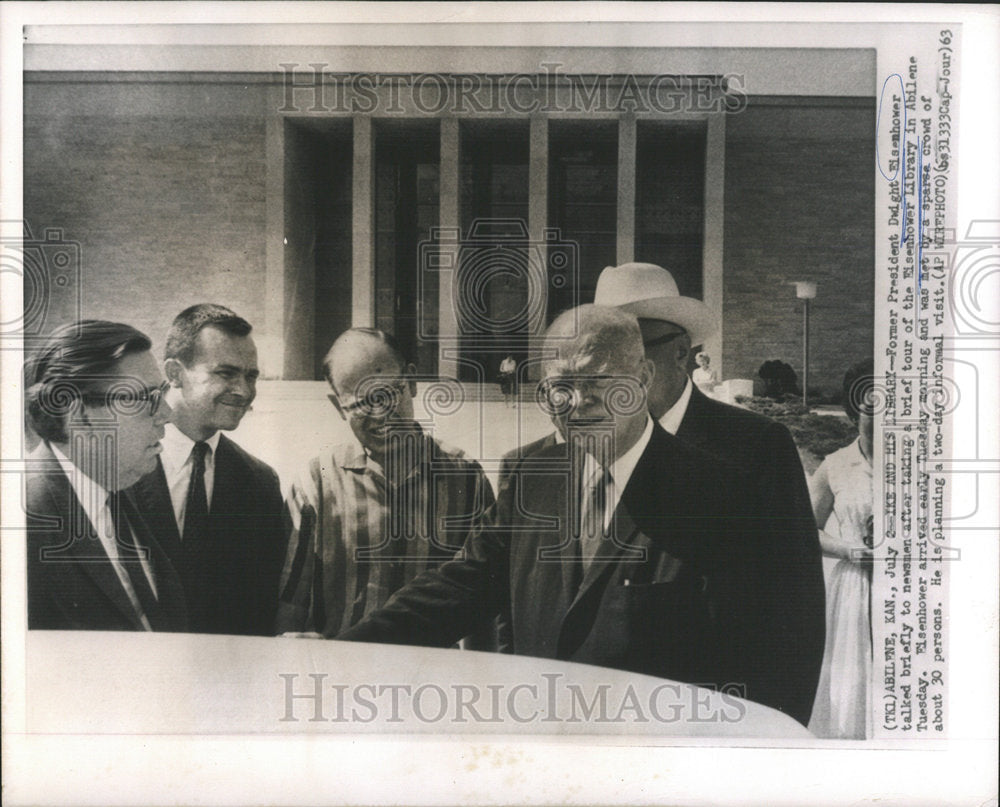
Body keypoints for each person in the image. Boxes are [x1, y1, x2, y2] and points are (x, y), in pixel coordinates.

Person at [331, 306, 809, 723]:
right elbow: (457, 588)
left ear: (643, 377)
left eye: (597, 383)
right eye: (560, 387)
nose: (576, 405)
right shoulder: (532, 480)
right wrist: (339, 654)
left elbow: (777, 659)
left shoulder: (724, 497)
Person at [276, 328, 494, 637]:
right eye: (360, 404)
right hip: (340, 663)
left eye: (388, 393)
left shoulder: (466, 479)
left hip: (430, 666)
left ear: (412, 381)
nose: (379, 413)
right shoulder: (316, 483)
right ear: (338, 406)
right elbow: (291, 601)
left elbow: (482, 602)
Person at [129, 304, 286, 635]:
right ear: (174, 373)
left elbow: (259, 610)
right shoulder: (117, 466)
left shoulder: (260, 483)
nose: (244, 391)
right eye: (226, 373)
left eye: (251, 376)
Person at [25, 320, 187, 631]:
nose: (166, 415)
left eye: (162, 394)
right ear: (78, 415)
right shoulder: (23, 522)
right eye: (144, 398)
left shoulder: (126, 486)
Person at [807, 358, 875, 739]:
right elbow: (807, 531)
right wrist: (849, 549)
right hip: (854, 588)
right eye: (870, 408)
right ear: (853, 414)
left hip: (904, 588)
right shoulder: (836, 465)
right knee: (853, 687)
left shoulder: (915, 464)